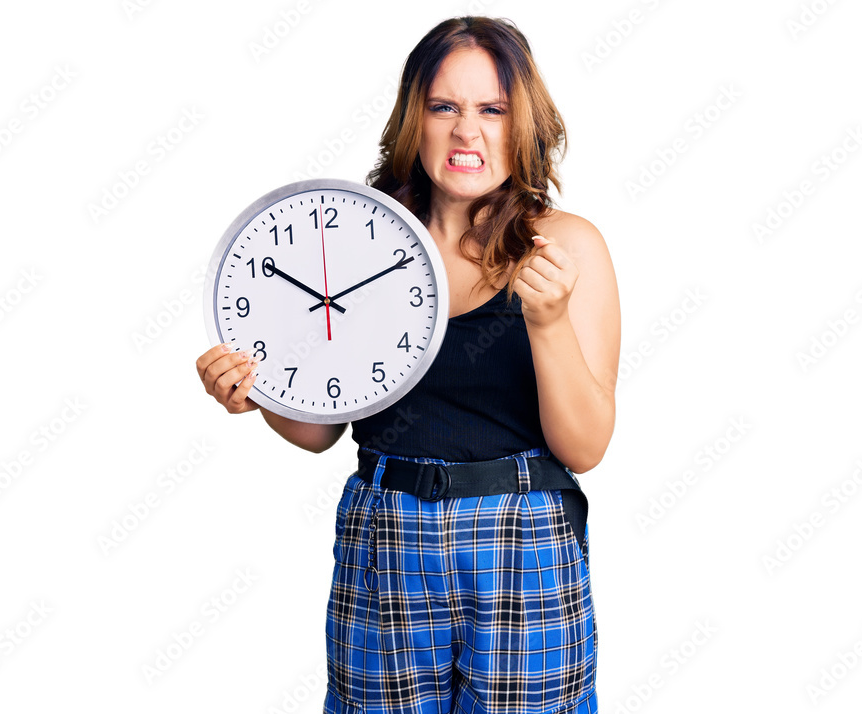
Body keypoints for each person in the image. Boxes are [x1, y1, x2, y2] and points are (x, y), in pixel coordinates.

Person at [196, 15, 620, 714]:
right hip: (385, 530)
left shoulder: (566, 245)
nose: (466, 131)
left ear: (523, 124)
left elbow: (586, 446)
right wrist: (258, 390)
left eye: (492, 109)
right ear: (413, 120)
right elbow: (320, 429)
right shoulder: (361, 237)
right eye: (444, 107)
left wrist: (545, 322)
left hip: (523, 536)